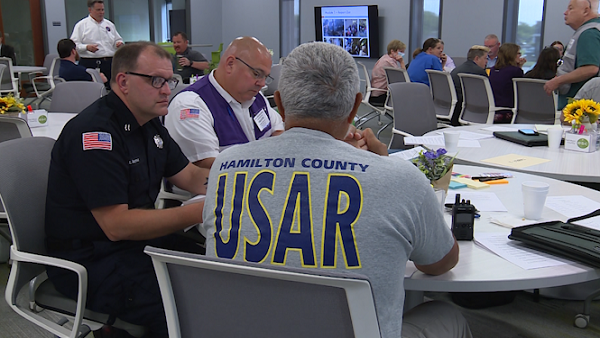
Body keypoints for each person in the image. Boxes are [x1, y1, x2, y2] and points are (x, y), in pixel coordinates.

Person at [203, 41, 471, 338]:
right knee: (446, 314)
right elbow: (440, 263)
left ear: (278, 102)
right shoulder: (402, 179)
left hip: (245, 328)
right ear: (356, 105)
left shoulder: (225, 167)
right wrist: (381, 165)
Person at [45, 41, 209, 337]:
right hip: (90, 261)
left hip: (131, 246)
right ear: (123, 82)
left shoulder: (150, 124)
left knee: (209, 263)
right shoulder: (96, 134)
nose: (167, 90)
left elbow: (192, 177)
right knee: (187, 302)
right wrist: (201, 210)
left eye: (170, 80)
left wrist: (240, 183)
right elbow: (117, 226)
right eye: (156, 81)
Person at [165, 36, 284, 170]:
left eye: (265, 77)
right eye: (257, 74)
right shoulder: (190, 107)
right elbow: (211, 168)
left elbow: (278, 132)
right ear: (230, 64)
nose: (262, 83)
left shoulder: (257, 98)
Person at [544, 0, 600, 110]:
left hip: (580, 109)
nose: (565, 12)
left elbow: (591, 68)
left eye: (571, 8)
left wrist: (558, 81)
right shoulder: (586, 31)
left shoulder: (589, 34)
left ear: (585, 11)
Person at [71, 0, 124, 84]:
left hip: (110, 62)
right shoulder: (81, 25)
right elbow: (74, 45)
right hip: (90, 62)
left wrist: (119, 43)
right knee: (92, 90)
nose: (101, 12)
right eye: (98, 10)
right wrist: (86, 47)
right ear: (90, 10)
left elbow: (117, 39)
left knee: (113, 88)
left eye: (102, 10)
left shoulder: (109, 24)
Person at [450, 45, 490, 125]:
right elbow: (487, 95)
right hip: (471, 112)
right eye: (485, 58)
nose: (486, 62)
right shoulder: (479, 72)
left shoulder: (456, 70)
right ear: (477, 58)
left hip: (454, 112)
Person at [489, 43, 525, 123]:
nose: (520, 56)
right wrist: (519, 68)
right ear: (512, 55)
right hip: (508, 112)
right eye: (518, 53)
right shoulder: (516, 71)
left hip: (493, 111)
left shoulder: (493, 70)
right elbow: (521, 93)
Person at [369, 39, 406, 106]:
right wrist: (402, 62)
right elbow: (403, 78)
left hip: (375, 93)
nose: (403, 54)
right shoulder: (389, 62)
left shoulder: (385, 58)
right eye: (401, 51)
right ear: (392, 51)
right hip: (380, 95)